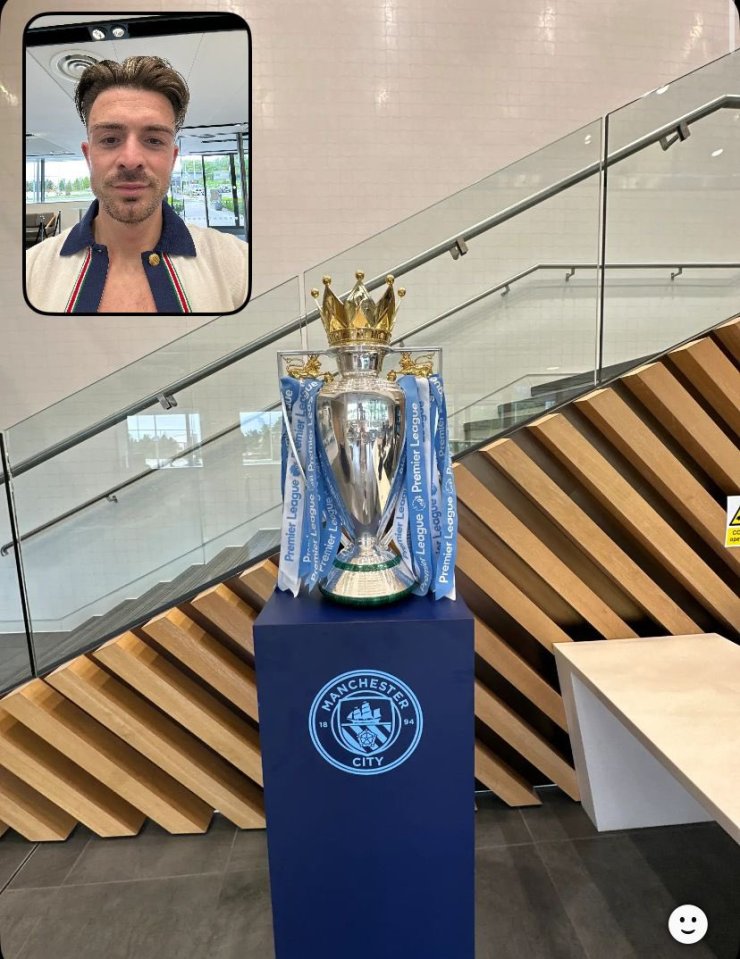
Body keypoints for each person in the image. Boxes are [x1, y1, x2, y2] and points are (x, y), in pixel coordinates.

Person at [25, 56, 249, 314]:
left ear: (172, 158)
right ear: (88, 156)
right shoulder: (31, 271)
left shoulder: (238, 266)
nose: (131, 161)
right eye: (110, 139)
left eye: (154, 140)